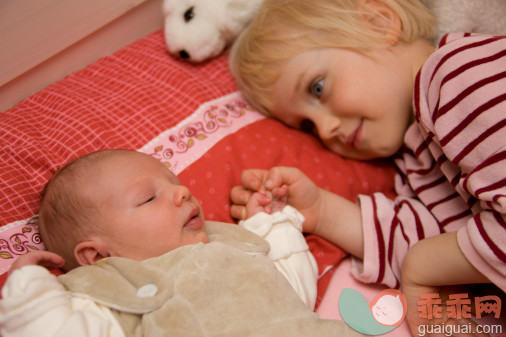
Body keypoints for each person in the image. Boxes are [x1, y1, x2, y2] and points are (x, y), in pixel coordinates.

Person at [229, 0, 506, 335]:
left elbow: (438, 255)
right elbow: (443, 243)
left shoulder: (458, 75)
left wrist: (423, 270)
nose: (325, 129)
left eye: (318, 88)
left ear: (378, 22)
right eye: (307, 126)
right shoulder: (416, 159)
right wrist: (323, 212)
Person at [0, 149, 361, 337]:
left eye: (175, 181)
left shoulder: (230, 248)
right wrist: (30, 289)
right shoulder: (106, 296)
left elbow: (293, 294)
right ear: (97, 255)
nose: (183, 191)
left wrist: (272, 223)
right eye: (147, 198)